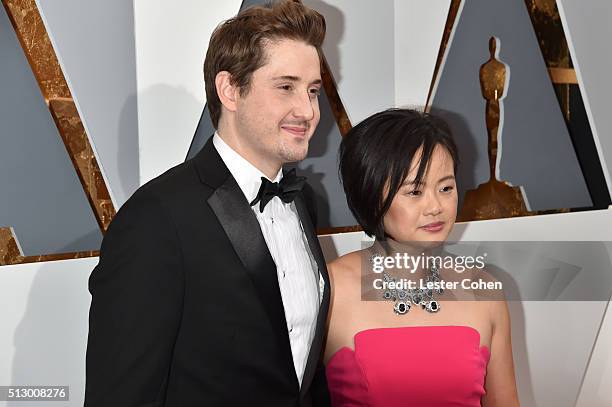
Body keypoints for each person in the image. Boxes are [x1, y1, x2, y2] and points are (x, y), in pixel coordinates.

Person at [84, 2, 331, 406]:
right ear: (230, 90)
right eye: (286, 87)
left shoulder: (303, 201)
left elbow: (301, 365)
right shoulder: (156, 219)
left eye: (313, 91)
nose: (307, 111)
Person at [324, 109, 519, 406]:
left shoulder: (484, 290)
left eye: (446, 188)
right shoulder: (331, 288)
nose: (435, 207)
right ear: (371, 194)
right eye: (414, 192)